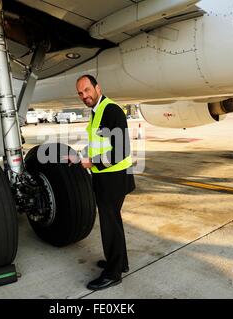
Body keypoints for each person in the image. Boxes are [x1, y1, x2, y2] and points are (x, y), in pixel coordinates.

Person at [72, 74, 136, 291]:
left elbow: (121, 150)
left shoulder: (111, 110)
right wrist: (81, 155)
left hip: (114, 178)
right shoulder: (96, 111)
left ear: (97, 87)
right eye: (80, 93)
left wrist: (92, 162)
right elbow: (99, 143)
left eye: (87, 90)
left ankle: (113, 273)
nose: (84, 96)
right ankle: (120, 262)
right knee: (113, 221)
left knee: (110, 225)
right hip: (106, 176)